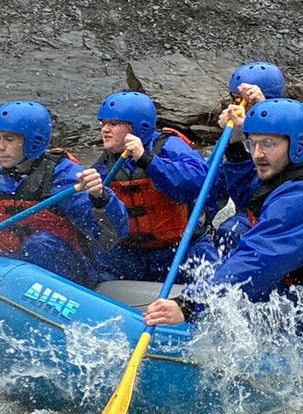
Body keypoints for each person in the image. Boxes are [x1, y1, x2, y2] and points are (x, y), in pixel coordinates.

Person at [144, 98, 303, 326]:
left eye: (268, 144)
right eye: (252, 143)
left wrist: (191, 303)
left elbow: (260, 257)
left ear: (297, 143)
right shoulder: (297, 165)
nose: (257, 154)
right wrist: (235, 146)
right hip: (295, 286)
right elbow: (253, 199)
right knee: (232, 232)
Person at [0, 100, 129, 288]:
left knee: (39, 244)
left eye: (9, 139)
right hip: (20, 269)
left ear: (33, 141)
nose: (0, 147)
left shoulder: (63, 176)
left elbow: (111, 233)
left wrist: (100, 197)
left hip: (71, 274)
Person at [89, 91, 219, 282]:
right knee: (99, 267)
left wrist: (148, 161)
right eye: (103, 123)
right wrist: (98, 197)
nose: (105, 130)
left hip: (182, 249)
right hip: (131, 254)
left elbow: (199, 181)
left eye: (114, 124)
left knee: (215, 283)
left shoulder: (169, 146)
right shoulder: (101, 168)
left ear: (139, 128)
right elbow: (102, 226)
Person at [211, 62, 303, 249]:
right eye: (235, 99)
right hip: (256, 207)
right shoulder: (238, 127)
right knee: (229, 232)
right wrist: (234, 140)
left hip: (297, 205)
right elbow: (234, 190)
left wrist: (267, 110)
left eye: (245, 100)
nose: (239, 106)